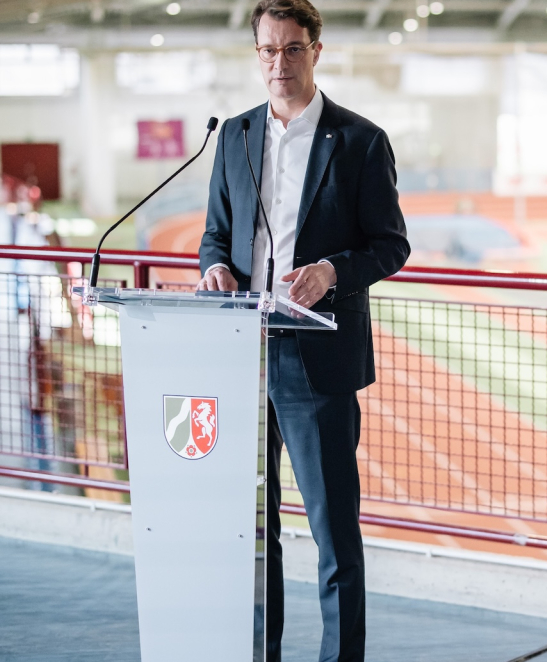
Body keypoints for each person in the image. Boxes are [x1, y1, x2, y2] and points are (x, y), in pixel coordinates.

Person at [196, 0, 411, 659]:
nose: (278, 63)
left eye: (292, 49)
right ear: (255, 54)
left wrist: (332, 271)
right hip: (242, 356)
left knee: (332, 535)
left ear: (316, 51)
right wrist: (213, 271)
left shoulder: (359, 140)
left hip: (316, 363)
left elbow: (390, 246)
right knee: (253, 532)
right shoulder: (233, 136)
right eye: (267, 50)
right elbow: (213, 238)